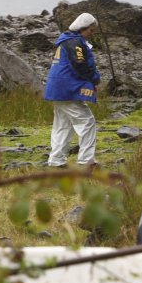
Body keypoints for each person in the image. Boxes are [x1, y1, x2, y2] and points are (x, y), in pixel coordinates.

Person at [44, 12, 101, 168]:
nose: (92, 34)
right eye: (91, 30)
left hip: (57, 88)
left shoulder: (65, 40)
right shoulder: (75, 43)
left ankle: (56, 161)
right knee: (87, 121)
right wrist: (94, 79)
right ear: (82, 28)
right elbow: (80, 64)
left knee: (63, 125)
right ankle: (86, 161)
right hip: (67, 89)